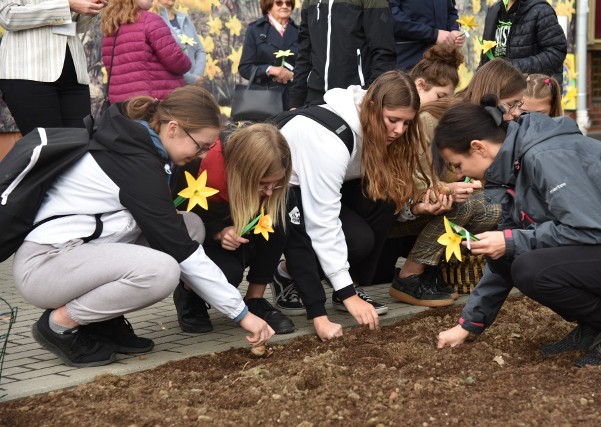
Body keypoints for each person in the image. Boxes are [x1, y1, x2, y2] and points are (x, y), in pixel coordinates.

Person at [12, 86, 273, 368]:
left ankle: (103, 323)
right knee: (162, 270)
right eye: (201, 145)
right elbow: (181, 251)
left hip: (77, 255)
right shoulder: (137, 164)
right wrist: (242, 314)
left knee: (191, 224)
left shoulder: (138, 145)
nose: (200, 155)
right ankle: (59, 325)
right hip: (46, 266)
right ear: (173, 128)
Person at [434, 94, 601, 367]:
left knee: (530, 268)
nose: (459, 175)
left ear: (478, 147)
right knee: (516, 257)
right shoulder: (513, 167)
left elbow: (589, 229)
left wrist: (511, 240)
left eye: (458, 165)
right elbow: (504, 260)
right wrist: (468, 325)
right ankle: (596, 325)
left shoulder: (546, 156)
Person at [274, 70, 428, 325]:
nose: (400, 130)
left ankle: (351, 286)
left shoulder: (381, 132)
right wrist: (346, 292)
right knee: (357, 240)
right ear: (371, 107)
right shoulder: (330, 139)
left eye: (407, 122)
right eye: (393, 120)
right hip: (283, 192)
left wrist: (416, 206)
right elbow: (321, 220)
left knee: (385, 197)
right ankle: (286, 273)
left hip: (327, 189)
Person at [375, 53, 525, 307]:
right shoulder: (432, 119)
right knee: (471, 203)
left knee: (496, 205)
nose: (517, 113)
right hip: (405, 209)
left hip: (439, 208)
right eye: (512, 104)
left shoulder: (494, 131)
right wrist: (446, 188)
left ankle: (435, 269)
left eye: (520, 105)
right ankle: (409, 276)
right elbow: (410, 181)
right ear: (491, 97)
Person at [174, 123, 345, 340]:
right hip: (208, 241)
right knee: (227, 275)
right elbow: (180, 221)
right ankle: (189, 293)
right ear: (240, 171)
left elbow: (299, 249)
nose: (269, 191)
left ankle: (254, 299)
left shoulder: (277, 189)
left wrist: (319, 315)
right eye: (262, 184)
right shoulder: (199, 165)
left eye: (276, 183)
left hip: (247, 239)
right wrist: (217, 232)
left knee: (280, 221)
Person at [0, 0, 105, 136]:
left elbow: (76, 27)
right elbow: (8, 17)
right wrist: (67, 5)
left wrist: (89, 8)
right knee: (47, 149)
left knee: (80, 148)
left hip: (74, 75)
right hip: (28, 74)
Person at [288, 0, 396, 108]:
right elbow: (304, 51)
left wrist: (370, 97)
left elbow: (383, 52)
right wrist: (295, 100)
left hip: (355, 100)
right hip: (315, 98)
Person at [101, 0, 191, 104]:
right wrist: (187, 62)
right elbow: (176, 61)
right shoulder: (149, 20)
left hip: (122, 105)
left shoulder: (111, 26)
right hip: (151, 103)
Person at [479, 0, 567, 84]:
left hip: (530, 92)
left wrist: (512, 67)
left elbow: (556, 52)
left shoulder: (541, 10)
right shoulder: (494, 11)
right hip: (498, 90)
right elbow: (486, 58)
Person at [238, 0, 298, 111]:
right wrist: (270, 69)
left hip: (293, 100)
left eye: (288, 3)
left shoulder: (299, 31)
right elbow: (245, 68)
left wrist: (292, 75)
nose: (284, 6)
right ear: (268, 5)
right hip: (265, 100)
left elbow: (307, 67)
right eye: (279, 3)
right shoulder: (255, 30)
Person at [390, 0, 464, 70]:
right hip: (409, 59)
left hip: (441, 61)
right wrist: (435, 35)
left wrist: (454, 30)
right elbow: (391, 16)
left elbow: (451, 11)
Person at [152, 0, 206, 86]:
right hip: (171, 88)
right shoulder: (153, 20)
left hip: (194, 88)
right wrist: (191, 79)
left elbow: (200, 50)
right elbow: (160, 61)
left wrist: (197, 76)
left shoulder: (184, 17)